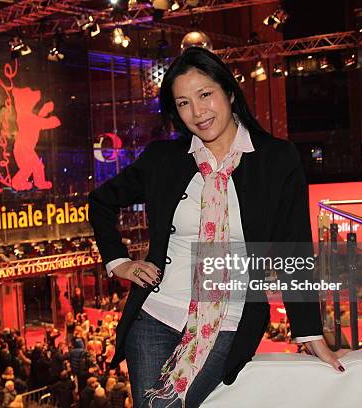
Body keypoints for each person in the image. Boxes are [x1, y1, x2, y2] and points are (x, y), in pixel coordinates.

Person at [88, 46, 348, 408]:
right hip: (154, 317)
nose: (197, 112)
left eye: (204, 95)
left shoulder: (276, 159)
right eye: (183, 103)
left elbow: (293, 250)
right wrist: (120, 262)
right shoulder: (164, 160)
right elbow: (100, 202)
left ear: (228, 91)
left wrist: (309, 332)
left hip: (229, 320)